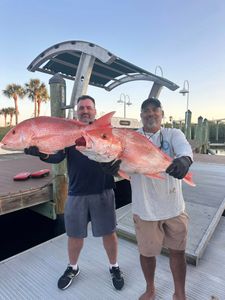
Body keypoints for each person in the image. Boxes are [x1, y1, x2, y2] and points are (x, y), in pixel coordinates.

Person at [24, 95, 124, 291]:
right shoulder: (70, 133)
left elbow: (121, 152)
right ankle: (73, 267)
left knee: (109, 232)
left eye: (88, 107)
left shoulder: (106, 132)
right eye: (81, 108)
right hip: (76, 191)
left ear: (95, 111)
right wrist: (42, 153)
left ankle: (114, 267)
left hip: (103, 188)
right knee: (74, 235)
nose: (85, 111)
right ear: (77, 111)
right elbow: (58, 156)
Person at [131, 97, 193, 300]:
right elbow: (120, 165)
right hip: (145, 209)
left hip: (174, 207)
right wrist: (110, 167)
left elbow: (184, 148)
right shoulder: (132, 138)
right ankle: (150, 289)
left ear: (162, 114)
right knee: (147, 254)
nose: (151, 114)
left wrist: (184, 159)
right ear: (141, 116)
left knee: (178, 252)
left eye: (155, 110)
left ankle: (180, 293)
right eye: (146, 111)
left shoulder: (173, 134)